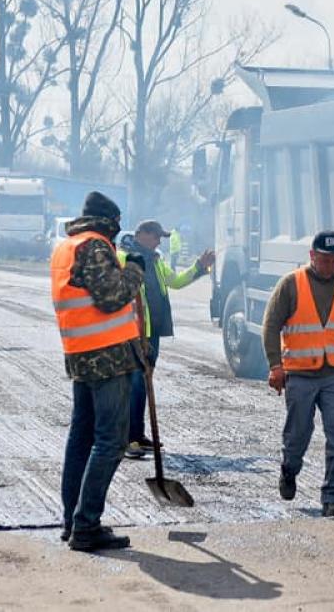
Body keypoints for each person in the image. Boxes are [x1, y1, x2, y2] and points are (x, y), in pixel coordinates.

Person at [50, 191, 145, 553]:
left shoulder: (67, 245)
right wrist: (135, 268)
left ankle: (72, 520)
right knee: (110, 441)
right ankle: (86, 525)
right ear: (109, 223)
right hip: (107, 357)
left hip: (81, 353)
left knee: (81, 439)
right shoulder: (94, 245)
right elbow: (111, 296)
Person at [263, 230, 334, 517]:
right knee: (298, 434)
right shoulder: (291, 284)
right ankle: (289, 468)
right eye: (326, 259)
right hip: (300, 374)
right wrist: (276, 366)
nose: (332, 265)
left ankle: (333, 499)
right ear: (312, 256)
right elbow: (271, 325)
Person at [119, 220, 215, 460]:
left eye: (160, 237)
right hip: (134, 332)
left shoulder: (155, 260)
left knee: (143, 385)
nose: (158, 241)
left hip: (153, 332)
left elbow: (176, 282)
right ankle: (128, 440)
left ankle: (138, 435)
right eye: (155, 236)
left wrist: (199, 267)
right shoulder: (124, 258)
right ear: (140, 234)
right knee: (135, 385)